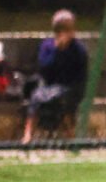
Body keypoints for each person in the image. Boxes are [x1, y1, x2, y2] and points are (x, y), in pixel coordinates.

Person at [21, 9, 88, 143]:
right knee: (36, 96)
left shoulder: (78, 49)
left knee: (62, 99)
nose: (62, 33)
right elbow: (44, 67)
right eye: (59, 29)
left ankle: (71, 135)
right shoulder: (47, 46)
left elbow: (77, 72)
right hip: (49, 84)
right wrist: (58, 50)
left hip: (70, 86)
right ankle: (27, 135)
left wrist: (65, 51)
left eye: (67, 29)